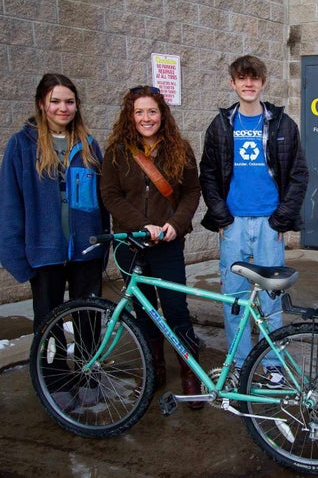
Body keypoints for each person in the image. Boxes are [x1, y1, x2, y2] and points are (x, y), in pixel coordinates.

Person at [0, 73, 110, 408]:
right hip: (44, 252)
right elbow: (10, 203)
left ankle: (90, 375)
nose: (64, 108)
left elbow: (101, 203)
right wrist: (16, 256)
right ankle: (57, 379)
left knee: (88, 318)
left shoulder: (88, 145)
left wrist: (102, 246)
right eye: (56, 101)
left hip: (85, 250)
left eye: (70, 101)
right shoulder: (22, 145)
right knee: (50, 321)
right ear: (42, 104)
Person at [199, 55, 308, 385]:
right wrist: (220, 216)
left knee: (270, 298)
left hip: (268, 226)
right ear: (232, 84)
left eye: (254, 78)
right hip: (232, 225)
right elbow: (208, 174)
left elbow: (299, 174)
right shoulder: (220, 126)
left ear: (263, 83)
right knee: (233, 298)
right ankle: (240, 362)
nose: (249, 84)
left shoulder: (282, 125)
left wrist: (281, 221)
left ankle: (274, 362)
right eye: (242, 79)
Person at [101, 85, 203, 409]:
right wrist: (140, 226)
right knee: (143, 312)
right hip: (132, 244)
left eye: (152, 111)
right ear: (130, 116)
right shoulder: (117, 152)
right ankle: (154, 369)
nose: (147, 118)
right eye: (139, 112)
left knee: (176, 309)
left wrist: (176, 224)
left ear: (162, 114)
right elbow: (111, 195)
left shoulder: (180, 149)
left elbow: (191, 192)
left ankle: (190, 373)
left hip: (168, 244)